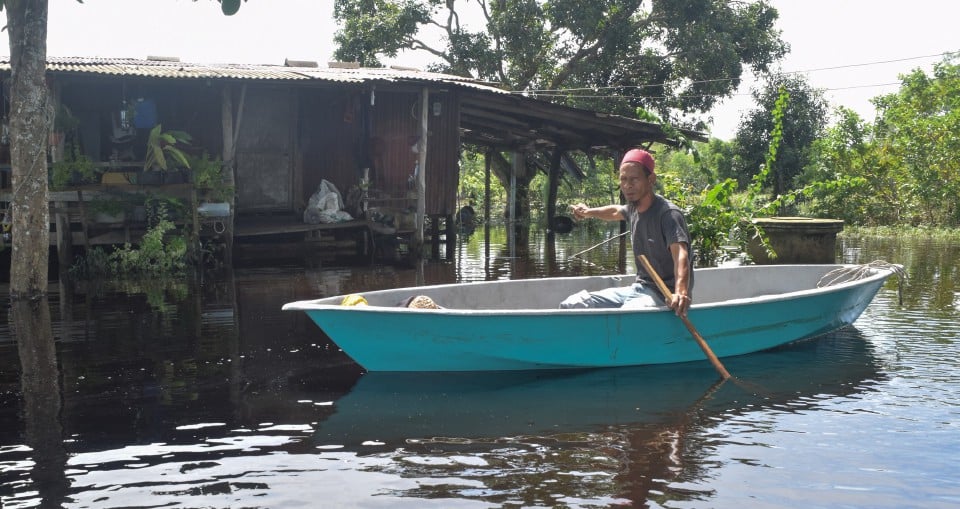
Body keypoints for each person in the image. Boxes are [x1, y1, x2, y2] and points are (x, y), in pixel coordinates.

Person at [560, 148, 694, 316]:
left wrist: (681, 292)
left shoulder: (668, 214)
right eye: (623, 179)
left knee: (624, 317)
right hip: (639, 288)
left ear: (651, 179)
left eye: (634, 179)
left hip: (664, 295)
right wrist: (588, 212)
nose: (627, 185)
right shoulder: (633, 209)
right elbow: (615, 211)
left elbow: (681, 255)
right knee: (573, 304)